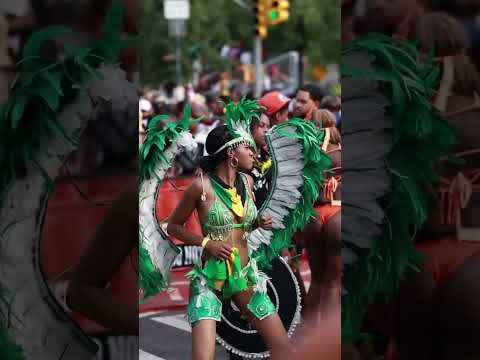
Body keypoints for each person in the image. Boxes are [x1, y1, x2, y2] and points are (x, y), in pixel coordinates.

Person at [167, 105, 292, 359]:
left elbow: (241, 225)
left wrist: (257, 223)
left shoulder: (246, 182)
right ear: (231, 153)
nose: (253, 152)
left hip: (244, 277)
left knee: (282, 349)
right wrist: (207, 244)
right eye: (247, 147)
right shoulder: (201, 187)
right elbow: (173, 226)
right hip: (209, 280)